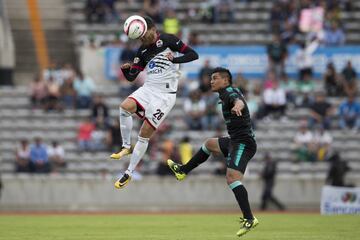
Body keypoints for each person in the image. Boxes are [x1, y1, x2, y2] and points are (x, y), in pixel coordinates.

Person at [167, 67, 259, 237]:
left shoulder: (229, 92)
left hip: (243, 144)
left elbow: (237, 101)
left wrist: (238, 106)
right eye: (211, 78)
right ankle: (183, 171)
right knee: (209, 144)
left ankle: (249, 218)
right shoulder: (225, 93)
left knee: (232, 178)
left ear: (226, 80)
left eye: (215, 78)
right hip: (235, 141)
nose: (211, 81)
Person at [110, 16, 198, 189]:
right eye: (140, 38)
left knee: (144, 133)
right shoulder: (142, 51)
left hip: (165, 95)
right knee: (124, 107)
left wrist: (175, 60)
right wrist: (125, 70)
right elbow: (131, 77)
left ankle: (128, 172)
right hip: (148, 88)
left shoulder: (168, 39)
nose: (143, 39)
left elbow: (193, 54)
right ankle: (126, 146)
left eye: (144, 35)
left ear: (152, 28)